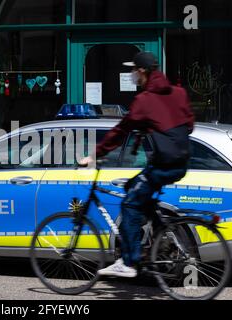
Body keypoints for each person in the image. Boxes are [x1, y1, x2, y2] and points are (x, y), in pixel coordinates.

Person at [79, 52, 195, 278]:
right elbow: (189, 125)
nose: (131, 74)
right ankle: (154, 236)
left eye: (133, 70)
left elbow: (121, 130)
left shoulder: (145, 100)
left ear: (142, 71)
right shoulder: (179, 93)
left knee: (130, 206)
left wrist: (94, 154)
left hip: (164, 164)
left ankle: (129, 262)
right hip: (181, 162)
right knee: (132, 187)